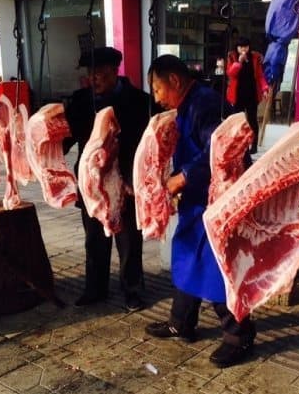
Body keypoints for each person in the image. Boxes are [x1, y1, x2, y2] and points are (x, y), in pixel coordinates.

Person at [144, 55, 256, 368]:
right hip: (196, 201)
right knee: (185, 258)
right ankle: (181, 321)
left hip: (214, 199)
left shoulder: (205, 103)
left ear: (175, 81)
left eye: (157, 89)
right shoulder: (187, 103)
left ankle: (240, 335)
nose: (156, 97)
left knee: (214, 269)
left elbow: (218, 152)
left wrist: (184, 176)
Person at [64, 47, 154, 312]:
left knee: (128, 241)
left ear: (115, 72)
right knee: (94, 240)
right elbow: (65, 140)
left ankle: (133, 291)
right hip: (92, 183)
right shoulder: (80, 101)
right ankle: (95, 289)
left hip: (124, 181)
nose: (94, 78)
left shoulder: (139, 100)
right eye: (90, 73)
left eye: (100, 73)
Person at [226, 37, 270, 154]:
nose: (243, 49)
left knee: (252, 120)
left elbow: (260, 76)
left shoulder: (255, 57)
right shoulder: (232, 57)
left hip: (251, 93)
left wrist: (265, 88)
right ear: (237, 48)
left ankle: (254, 145)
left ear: (249, 47)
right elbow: (230, 74)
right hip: (237, 94)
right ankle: (238, 144)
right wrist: (239, 62)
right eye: (240, 47)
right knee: (237, 121)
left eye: (245, 47)